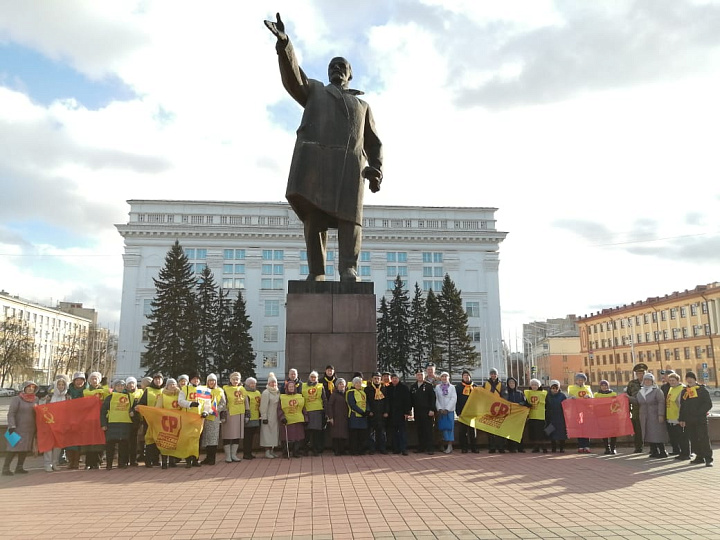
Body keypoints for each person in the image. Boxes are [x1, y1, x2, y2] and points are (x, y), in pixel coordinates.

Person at [264, 12, 383, 282]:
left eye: (341, 66)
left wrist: (376, 168)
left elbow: (374, 141)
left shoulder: (362, 106)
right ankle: (316, 272)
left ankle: (348, 268)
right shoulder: (316, 91)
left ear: (350, 74)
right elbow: (294, 79)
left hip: (350, 168)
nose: (336, 69)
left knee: (350, 220)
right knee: (314, 219)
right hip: (317, 164)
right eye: (332, 66)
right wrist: (285, 45)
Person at [2, 381, 38, 476]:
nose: (31, 389)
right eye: (28, 387)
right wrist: (11, 425)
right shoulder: (17, 399)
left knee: (24, 449)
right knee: (12, 449)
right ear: (24, 388)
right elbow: (11, 413)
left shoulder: (36, 399)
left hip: (29, 429)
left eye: (33, 387)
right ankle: (5, 468)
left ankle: (19, 467)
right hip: (16, 428)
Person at [628, 373, 668, 458]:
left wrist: (661, 414)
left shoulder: (657, 391)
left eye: (649, 380)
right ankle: (654, 451)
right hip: (644, 416)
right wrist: (628, 398)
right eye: (645, 380)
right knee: (648, 433)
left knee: (657, 433)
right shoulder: (641, 391)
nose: (647, 381)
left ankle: (662, 451)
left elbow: (661, 402)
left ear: (652, 381)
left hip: (655, 415)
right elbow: (637, 401)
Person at [679, 372, 713, 467]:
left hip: (700, 419)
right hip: (689, 420)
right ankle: (699, 456)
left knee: (703, 438)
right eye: (687, 378)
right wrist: (681, 419)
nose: (689, 380)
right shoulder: (685, 391)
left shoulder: (702, 390)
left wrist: (698, 413)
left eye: (691, 378)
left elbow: (708, 404)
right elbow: (683, 406)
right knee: (693, 439)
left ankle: (708, 458)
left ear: (695, 379)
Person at [101, 378, 135, 470]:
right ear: (114, 387)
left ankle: (122, 463)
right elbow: (103, 411)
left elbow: (133, 408)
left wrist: (133, 413)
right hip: (112, 423)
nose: (120, 387)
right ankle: (109, 464)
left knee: (123, 445)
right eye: (118, 386)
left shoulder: (130, 397)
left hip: (125, 423)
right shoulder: (109, 397)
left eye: (122, 386)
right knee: (110, 445)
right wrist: (103, 424)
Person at [136, 371, 164, 467]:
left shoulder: (164, 391)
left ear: (162, 380)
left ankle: (156, 460)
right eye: (156, 379)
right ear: (153, 380)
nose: (158, 381)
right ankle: (148, 460)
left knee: (158, 440)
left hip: (160, 420)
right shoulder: (148, 390)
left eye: (159, 379)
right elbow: (142, 403)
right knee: (149, 440)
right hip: (149, 420)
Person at [154, 377, 183, 469]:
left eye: (174, 384)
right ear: (167, 386)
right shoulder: (162, 396)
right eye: (170, 384)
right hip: (165, 422)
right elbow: (158, 408)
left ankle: (172, 461)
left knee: (174, 441)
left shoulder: (179, 395)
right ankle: (164, 461)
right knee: (165, 441)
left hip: (176, 422)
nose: (172, 386)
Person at [43, 375, 69, 472]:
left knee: (58, 445)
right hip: (49, 423)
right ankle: (47, 464)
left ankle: (55, 463)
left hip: (61, 424)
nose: (61, 386)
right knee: (48, 444)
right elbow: (43, 409)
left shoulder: (67, 396)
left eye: (63, 384)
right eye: (59, 384)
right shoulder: (50, 397)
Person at [82, 371, 108, 469]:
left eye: (96, 378)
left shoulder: (104, 391)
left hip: (100, 418)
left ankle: (98, 461)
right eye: (92, 378)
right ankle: (89, 462)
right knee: (90, 440)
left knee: (99, 439)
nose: (94, 380)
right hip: (89, 419)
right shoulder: (86, 391)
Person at [178, 374, 204, 468]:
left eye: (197, 379)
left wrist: (206, 412)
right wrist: (190, 404)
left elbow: (207, 403)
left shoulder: (204, 389)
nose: (196, 380)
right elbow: (180, 401)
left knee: (197, 439)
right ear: (190, 380)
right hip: (187, 417)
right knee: (188, 439)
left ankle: (195, 459)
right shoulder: (185, 389)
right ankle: (188, 460)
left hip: (199, 418)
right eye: (194, 378)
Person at [200, 373, 227, 465]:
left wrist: (214, 410)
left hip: (214, 417)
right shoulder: (203, 390)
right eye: (210, 380)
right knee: (206, 438)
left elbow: (223, 404)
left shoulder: (220, 391)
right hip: (203, 417)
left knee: (213, 438)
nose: (211, 382)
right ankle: (207, 457)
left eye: (213, 380)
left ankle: (212, 458)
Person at [222, 372, 248, 463]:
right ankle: (228, 455)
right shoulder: (225, 389)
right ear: (230, 379)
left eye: (237, 379)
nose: (235, 381)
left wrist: (247, 413)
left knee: (237, 435)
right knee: (228, 435)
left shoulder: (242, 389)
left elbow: (246, 402)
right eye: (233, 379)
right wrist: (223, 415)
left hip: (240, 414)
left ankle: (234, 454)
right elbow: (223, 403)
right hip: (230, 414)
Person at [278, 380, 307, 458]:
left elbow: (303, 408)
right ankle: (286, 452)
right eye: (290, 387)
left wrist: (306, 418)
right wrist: (282, 417)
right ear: (287, 388)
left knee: (297, 437)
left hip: (298, 420)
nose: (291, 388)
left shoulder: (300, 396)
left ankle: (296, 452)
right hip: (287, 420)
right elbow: (279, 409)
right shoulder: (282, 397)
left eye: (292, 387)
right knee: (286, 437)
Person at [410, 368, 436, 454]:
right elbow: (410, 400)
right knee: (419, 429)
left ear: (424, 376)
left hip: (427, 411)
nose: (420, 376)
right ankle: (421, 447)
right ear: (415, 376)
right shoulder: (413, 386)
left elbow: (433, 398)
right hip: (417, 411)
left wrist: (432, 409)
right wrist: (409, 410)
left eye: (421, 374)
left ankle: (430, 448)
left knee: (428, 430)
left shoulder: (428, 386)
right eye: (418, 375)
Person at [66, 372, 88, 470]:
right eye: (77, 380)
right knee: (70, 440)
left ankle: (76, 462)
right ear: (74, 381)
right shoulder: (68, 392)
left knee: (79, 441)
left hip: (83, 419)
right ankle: (70, 461)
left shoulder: (87, 391)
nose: (79, 382)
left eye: (81, 380)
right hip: (70, 418)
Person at [665, 372, 690, 461]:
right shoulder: (671, 388)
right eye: (670, 380)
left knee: (683, 437)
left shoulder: (682, 389)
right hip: (671, 416)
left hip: (679, 417)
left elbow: (682, 404)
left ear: (678, 380)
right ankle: (680, 452)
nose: (671, 382)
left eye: (673, 380)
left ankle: (686, 453)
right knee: (676, 436)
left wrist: (682, 417)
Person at [385, 373, 411, 455]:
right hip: (392, 414)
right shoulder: (388, 388)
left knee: (402, 432)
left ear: (398, 379)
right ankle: (396, 448)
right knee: (394, 432)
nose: (394, 380)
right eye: (393, 378)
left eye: (396, 378)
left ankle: (404, 449)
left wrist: (407, 412)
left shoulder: (404, 388)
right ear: (391, 379)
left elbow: (408, 400)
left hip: (401, 413)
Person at [302, 370, 327, 455]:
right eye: (311, 377)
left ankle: (316, 449)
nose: (313, 378)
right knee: (307, 433)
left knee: (316, 433)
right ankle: (306, 449)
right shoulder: (303, 386)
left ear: (317, 378)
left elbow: (324, 399)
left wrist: (326, 411)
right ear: (309, 378)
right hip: (307, 412)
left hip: (317, 412)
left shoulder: (320, 386)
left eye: (315, 377)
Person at [567, 373, 594, 453]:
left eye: (582, 380)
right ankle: (580, 445)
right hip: (576, 411)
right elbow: (567, 398)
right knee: (579, 428)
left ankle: (587, 445)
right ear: (576, 380)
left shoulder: (587, 388)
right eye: (579, 380)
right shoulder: (571, 388)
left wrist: (589, 397)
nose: (580, 381)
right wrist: (571, 398)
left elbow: (592, 398)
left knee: (586, 428)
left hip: (586, 411)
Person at [625, 363, 647, 453]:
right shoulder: (632, 384)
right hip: (636, 410)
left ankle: (653, 448)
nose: (641, 375)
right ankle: (638, 447)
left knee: (649, 428)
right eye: (638, 373)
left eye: (642, 373)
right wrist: (628, 410)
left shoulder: (649, 382)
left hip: (647, 410)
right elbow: (627, 397)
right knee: (637, 429)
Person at [502, 377, 527, 453]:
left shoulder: (520, 393)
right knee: (509, 431)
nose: (511, 384)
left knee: (519, 432)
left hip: (518, 415)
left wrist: (522, 403)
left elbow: (525, 402)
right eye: (510, 383)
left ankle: (520, 447)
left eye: (513, 383)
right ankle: (511, 447)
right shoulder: (505, 393)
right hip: (509, 415)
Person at [456, 370, 478, 453]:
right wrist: (458, 412)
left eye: (468, 375)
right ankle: (464, 448)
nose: (466, 377)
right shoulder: (458, 387)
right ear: (462, 377)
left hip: (473, 413)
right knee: (463, 431)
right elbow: (456, 400)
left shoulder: (475, 387)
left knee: (473, 431)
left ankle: (474, 447)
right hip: (463, 412)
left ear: (470, 377)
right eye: (464, 375)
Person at [483, 368, 505, 453]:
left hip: (499, 409)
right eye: (492, 374)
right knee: (490, 429)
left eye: (495, 374)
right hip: (489, 409)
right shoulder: (486, 384)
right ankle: (492, 447)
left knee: (500, 428)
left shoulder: (502, 384)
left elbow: (504, 396)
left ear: (497, 375)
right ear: (490, 375)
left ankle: (501, 447)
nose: (493, 375)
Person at [366, 372, 388, 455]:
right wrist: (369, 411)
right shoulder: (368, 389)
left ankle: (382, 448)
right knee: (371, 432)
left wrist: (386, 411)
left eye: (378, 378)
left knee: (382, 432)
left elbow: (387, 401)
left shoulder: (384, 388)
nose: (376, 380)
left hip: (382, 414)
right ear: (372, 379)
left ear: (380, 379)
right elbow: (366, 401)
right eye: (375, 378)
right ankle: (372, 448)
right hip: (372, 414)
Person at [435, 372, 457, 454]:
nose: (444, 378)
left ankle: (450, 445)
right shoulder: (438, 387)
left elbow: (453, 398)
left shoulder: (452, 387)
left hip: (449, 411)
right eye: (442, 376)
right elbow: (436, 398)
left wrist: (447, 409)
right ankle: (443, 444)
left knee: (450, 428)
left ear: (449, 378)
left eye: (446, 376)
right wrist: (440, 408)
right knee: (443, 428)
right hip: (441, 411)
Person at [260, 373, 281, 458]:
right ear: (268, 383)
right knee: (267, 434)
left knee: (274, 434)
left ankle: (272, 450)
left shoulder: (277, 392)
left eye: (275, 382)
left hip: (276, 417)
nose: (273, 384)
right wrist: (264, 417)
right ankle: (267, 451)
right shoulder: (266, 393)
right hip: (268, 417)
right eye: (271, 382)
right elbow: (263, 406)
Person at [524, 379, 548, 453]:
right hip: (532, 416)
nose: (534, 386)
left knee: (540, 433)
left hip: (540, 416)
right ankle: (536, 447)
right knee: (534, 433)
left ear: (539, 385)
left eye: (536, 385)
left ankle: (543, 446)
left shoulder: (543, 393)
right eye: (533, 385)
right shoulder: (528, 393)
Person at [346, 377, 369, 455]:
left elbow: (366, 402)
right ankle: (354, 450)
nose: (359, 384)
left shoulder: (363, 392)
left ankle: (361, 450)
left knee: (362, 435)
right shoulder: (350, 392)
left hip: (363, 417)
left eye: (360, 383)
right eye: (357, 383)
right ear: (354, 384)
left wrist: (367, 411)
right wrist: (361, 412)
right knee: (354, 435)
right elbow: (352, 404)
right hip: (354, 416)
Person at [595, 380, 618, 454]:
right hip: (602, 416)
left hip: (611, 415)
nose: (604, 387)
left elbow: (617, 404)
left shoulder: (613, 394)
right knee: (604, 432)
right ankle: (607, 448)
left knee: (613, 432)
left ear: (608, 386)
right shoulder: (596, 395)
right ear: (600, 386)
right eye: (602, 385)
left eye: (606, 385)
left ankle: (613, 448)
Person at [327, 378, 350, 455]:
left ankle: (342, 449)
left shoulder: (347, 393)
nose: (341, 385)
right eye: (340, 384)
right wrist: (331, 417)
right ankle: (336, 450)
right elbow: (329, 406)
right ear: (337, 386)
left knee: (343, 434)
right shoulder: (334, 394)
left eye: (343, 384)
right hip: (336, 417)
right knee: (336, 435)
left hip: (344, 417)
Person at [545, 380, 567, 453]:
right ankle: (553, 447)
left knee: (561, 433)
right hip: (550, 417)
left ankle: (562, 448)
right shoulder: (547, 396)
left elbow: (566, 405)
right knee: (551, 432)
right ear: (550, 388)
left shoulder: (562, 396)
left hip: (560, 417)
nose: (555, 390)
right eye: (553, 388)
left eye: (556, 388)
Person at [243, 377, 262, 460]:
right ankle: (246, 453)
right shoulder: (245, 393)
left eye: (254, 383)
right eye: (251, 383)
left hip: (256, 417)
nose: (253, 385)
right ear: (247, 384)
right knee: (247, 437)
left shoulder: (258, 392)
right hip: (249, 418)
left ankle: (250, 452)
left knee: (252, 436)